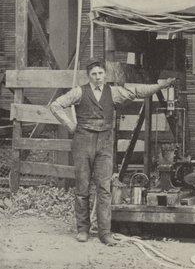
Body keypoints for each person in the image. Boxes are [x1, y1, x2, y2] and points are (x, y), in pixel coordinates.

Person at [50, 57, 175, 246]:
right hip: (83, 142)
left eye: (100, 73)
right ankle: (83, 230)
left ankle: (104, 232)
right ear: (89, 76)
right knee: (82, 188)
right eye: (94, 74)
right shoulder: (79, 92)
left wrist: (160, 86)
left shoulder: (114, 92)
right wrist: (69, 124)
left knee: (104, 189)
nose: (98, 77)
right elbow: (55, 105)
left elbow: (137, 91)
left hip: (105, 144)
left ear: (105, 74)